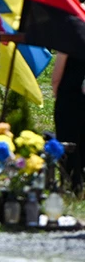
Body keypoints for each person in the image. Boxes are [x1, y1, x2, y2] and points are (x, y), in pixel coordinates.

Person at [53, 51, 85, 191]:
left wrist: (57, 93)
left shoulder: (68, 38)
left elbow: (56, 77)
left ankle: (72, 187)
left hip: (69, 96)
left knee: (68, 143)